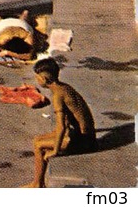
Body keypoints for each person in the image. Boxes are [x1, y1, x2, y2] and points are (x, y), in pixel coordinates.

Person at [27, 58, 96, 187]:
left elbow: (61, 127)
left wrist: (56, 150)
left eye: (37, 78)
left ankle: (37, 184)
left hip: (84, 141)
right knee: (37, 139)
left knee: (39, 146)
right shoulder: (63, 87)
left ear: (44, 80)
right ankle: (38, 182)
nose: (36, 80)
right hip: (83, 135)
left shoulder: (58, 96)